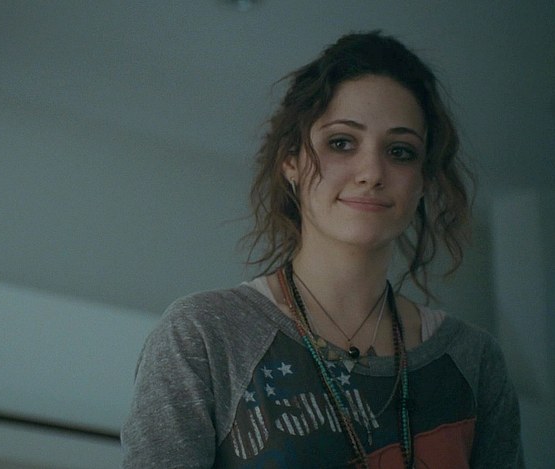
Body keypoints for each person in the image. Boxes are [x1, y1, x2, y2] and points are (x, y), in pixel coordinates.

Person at [121, 31, 523, 468]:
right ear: (290, 160)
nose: (372, 172)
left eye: (400, 151)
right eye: (341, 142)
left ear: (423, 180)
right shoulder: (204, 335)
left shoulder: (474, 361)